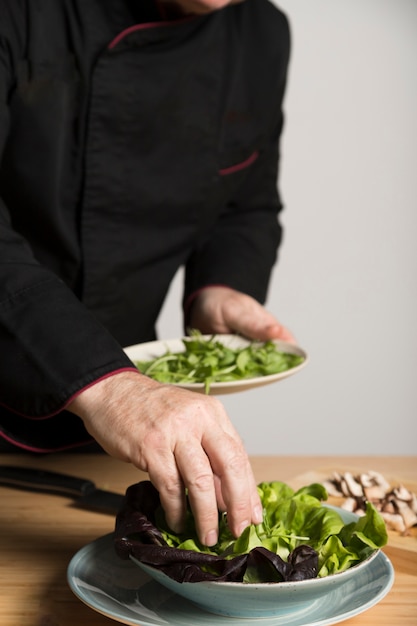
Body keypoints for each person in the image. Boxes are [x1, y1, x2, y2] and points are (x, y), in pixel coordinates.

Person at [0, 0, 292, 546]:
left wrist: (220, 287)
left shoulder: (260, 33)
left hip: (113, 433)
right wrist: (111, 390)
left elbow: (244, 204)